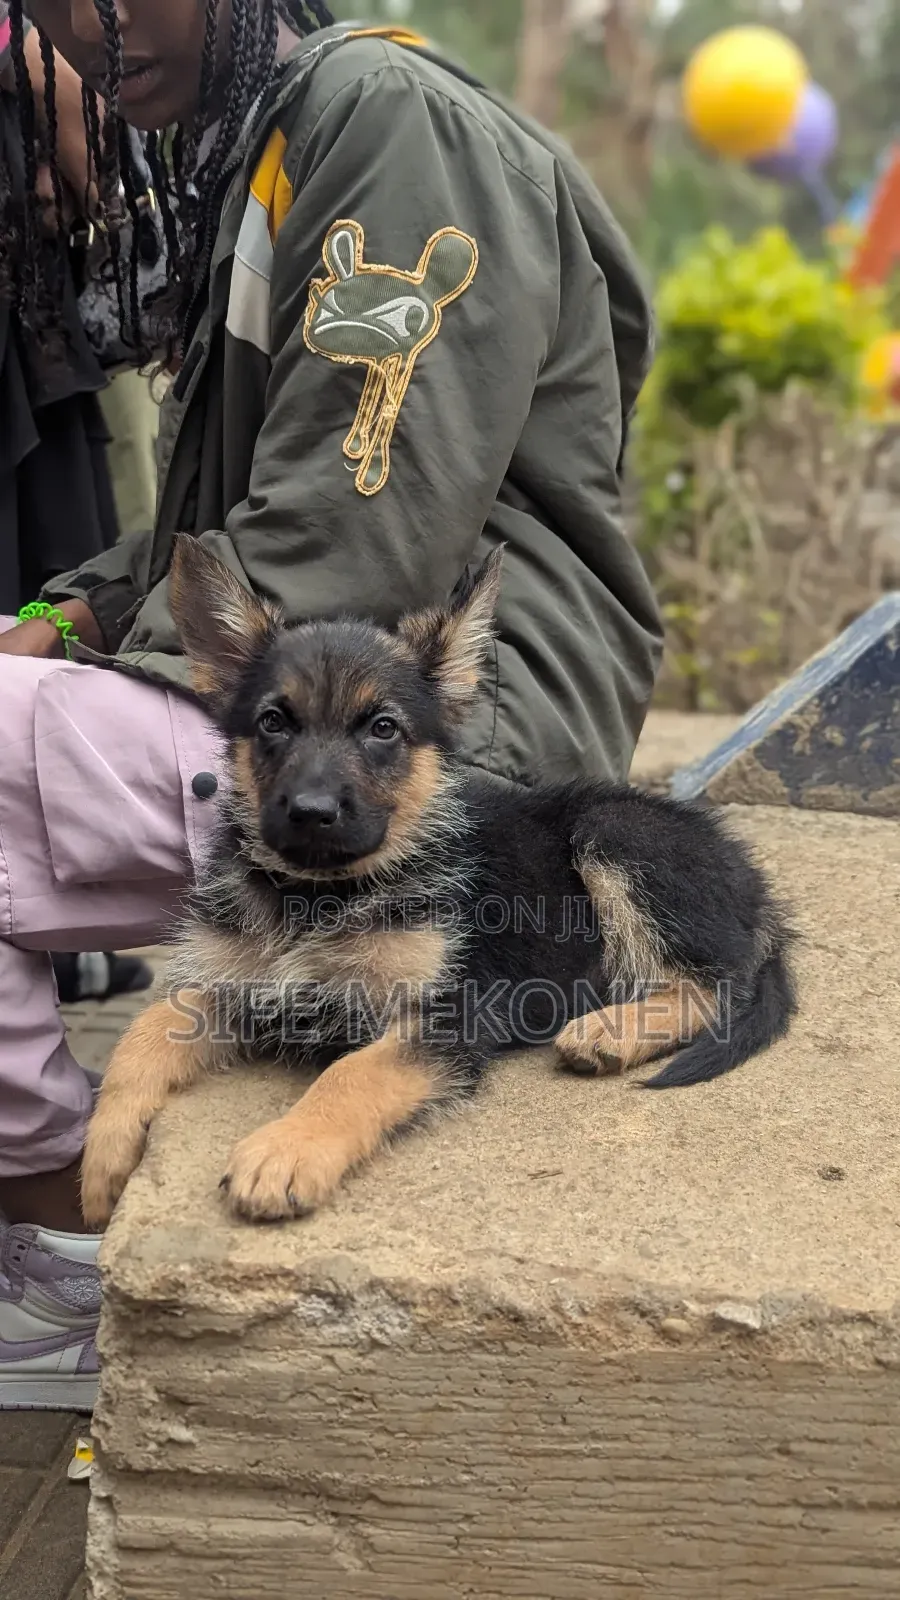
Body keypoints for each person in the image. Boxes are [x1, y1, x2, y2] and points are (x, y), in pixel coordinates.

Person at [0, 0, 662, 1410]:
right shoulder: (268, 146)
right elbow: (206, 533)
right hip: (301, 704)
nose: (77, 24)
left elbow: (366, 539)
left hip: (437, 734)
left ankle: (59, 1233)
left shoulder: (389, 116)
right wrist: (58, 620)